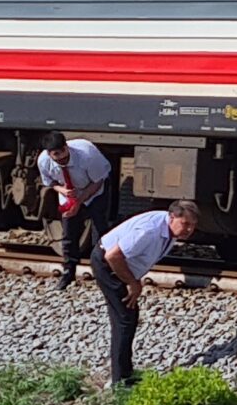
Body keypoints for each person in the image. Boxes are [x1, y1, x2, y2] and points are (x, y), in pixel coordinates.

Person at [94, 199, 200, 389]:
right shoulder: (148, 231)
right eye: (185, 224)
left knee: (127, 318)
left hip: (121, 268)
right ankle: (120, 381)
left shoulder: (168, 229)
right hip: (108, 266)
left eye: (193, 226)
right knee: (125, 319)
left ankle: (124, 373)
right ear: (172, 217)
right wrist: (133, 283)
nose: (189, 230)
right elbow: (113, 256)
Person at [36, 131, 117, 290]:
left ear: (67, 147)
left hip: (94, 191)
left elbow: (98, 182)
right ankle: (68, 272)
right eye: (56, 156)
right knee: (69, 234)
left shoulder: (87, 155)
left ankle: (102, 272)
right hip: (68, 192)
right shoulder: (44, 161)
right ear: (49, 154)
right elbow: (49, 182)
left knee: (99, 231)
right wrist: (63, 191)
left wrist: (79, 202)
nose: (61, 159)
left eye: (63, 154)